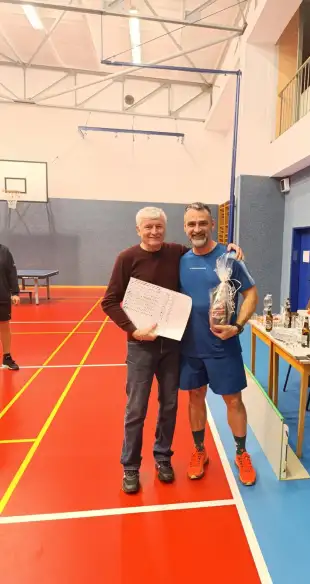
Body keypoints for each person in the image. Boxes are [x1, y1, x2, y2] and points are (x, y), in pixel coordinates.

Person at [101, 206, 243, 494]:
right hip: (141, 346)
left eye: (158, 227)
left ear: (165, 228)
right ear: (138, 229)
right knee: (136, 408)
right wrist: (133, 330)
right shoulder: (127, 258)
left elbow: (205, 250)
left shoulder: (177, 252)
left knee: (169, 405)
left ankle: (163, 457)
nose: (154, 232)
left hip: (173, 345)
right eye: (148, 227)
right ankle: (131, 466)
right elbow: (110, 301)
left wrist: (230, 248)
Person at [179, 202, 259, 487]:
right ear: (185, 228)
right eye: (191, 224)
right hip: (189, 347)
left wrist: (237, 326)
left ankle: (241, 453)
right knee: (194, 397)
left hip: (223, 346)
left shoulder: (230, 258)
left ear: (212, 224)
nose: (197, 229)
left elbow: (251, 294)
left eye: (202, 223)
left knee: (233, 400)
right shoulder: (180, 260)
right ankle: (199, 450)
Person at [0, 244, 20, 371]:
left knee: (4, 326)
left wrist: (15, 293)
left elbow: (12, 273)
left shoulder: (4, 251)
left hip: (2, 295)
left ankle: (7, 358)